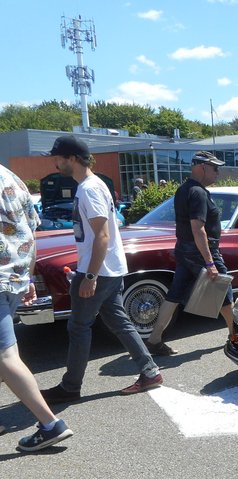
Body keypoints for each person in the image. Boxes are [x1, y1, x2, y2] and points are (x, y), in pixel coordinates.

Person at [40, 135, 163, 401]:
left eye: (58, 157)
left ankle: (70, 387)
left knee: (78, 327)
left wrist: (90, 276)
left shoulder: (89, 188)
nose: (55, 162)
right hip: (110, 268)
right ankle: (150, 371)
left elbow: (102, 236)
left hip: (100, 271)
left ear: (71, 158)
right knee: (118, 321)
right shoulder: (93, 186)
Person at [0, 164, 74, 451]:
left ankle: (50, 424)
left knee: (6, 354)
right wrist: (28, 277)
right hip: (15, 275)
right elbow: (31, 230)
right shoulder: (11, 177)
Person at [144, 151, 235, 356]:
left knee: (175, 295)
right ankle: (236, 337)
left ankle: (154, 340)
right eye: (215, 168)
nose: (217, 173)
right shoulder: (198, 193)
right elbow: (198, 228)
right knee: (224, 292)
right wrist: (210, 263)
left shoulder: (183, 189)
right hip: (202, 250)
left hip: (184, 248)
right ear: (202, 167)